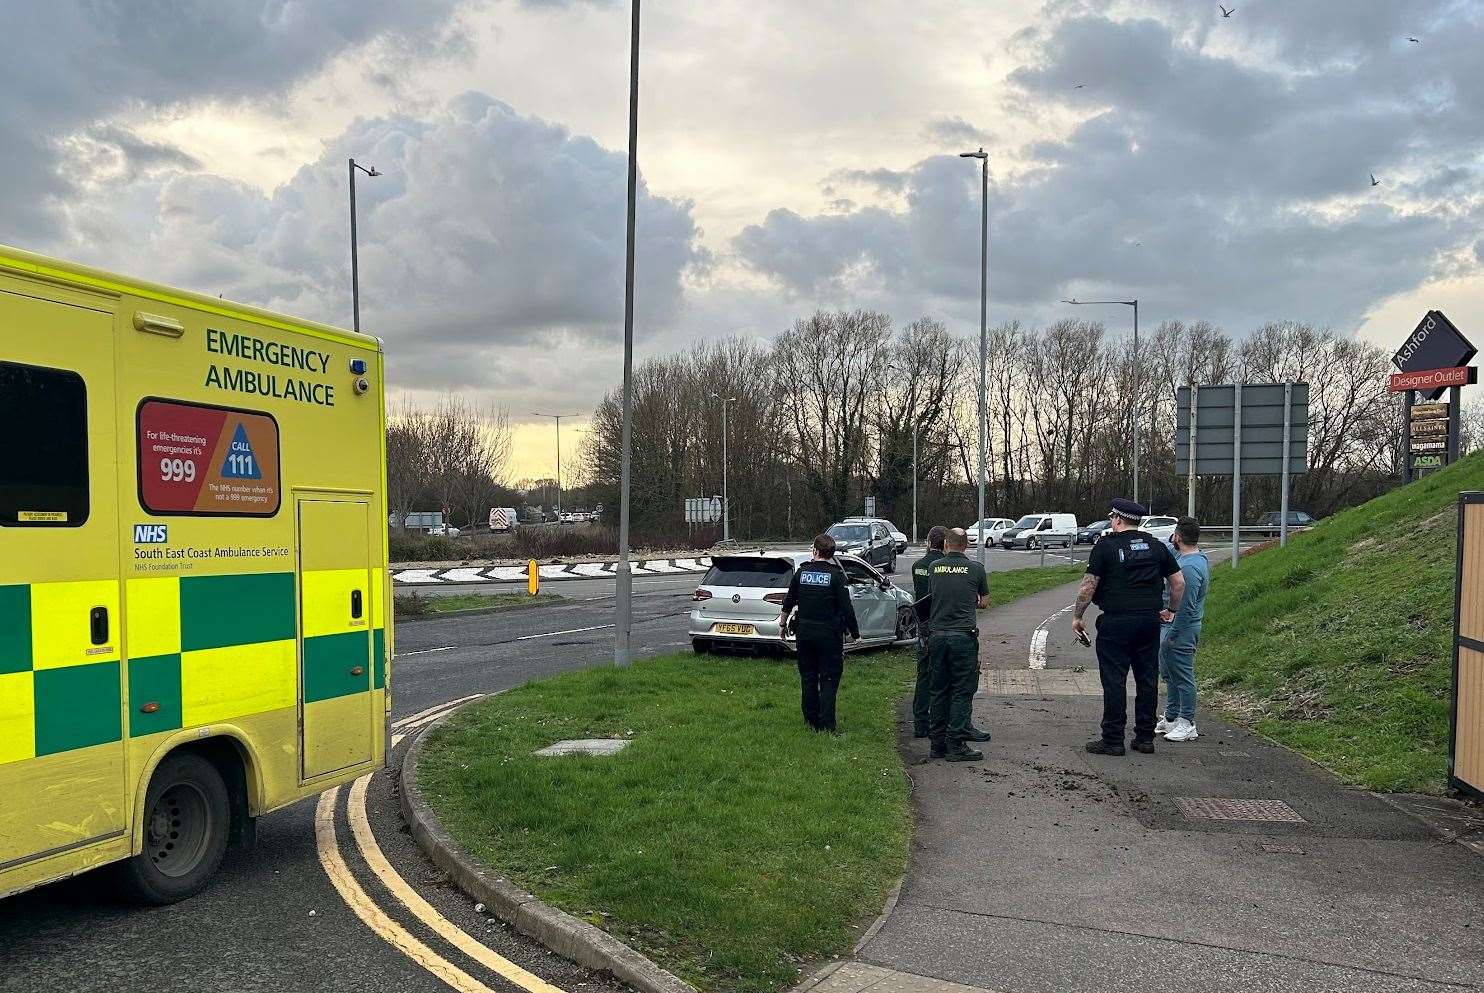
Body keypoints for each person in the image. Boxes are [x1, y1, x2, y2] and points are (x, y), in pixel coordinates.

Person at [1071, 499, 1184, 755]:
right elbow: (1178, 582)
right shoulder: (1157, 546)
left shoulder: (1106, 546)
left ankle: (1112, 739)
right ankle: (1144, 738)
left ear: (1117, 520)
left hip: (1116, 621)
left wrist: (1078, 616)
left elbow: (1089, 586)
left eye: (1112, 517)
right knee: (1146, 678)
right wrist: (1171, 611)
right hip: (1148, 621)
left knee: (1114, 680)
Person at [779, 533, 859, 733]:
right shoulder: (836, 576)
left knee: (808, 677)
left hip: (805, 633)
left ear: (815, 550)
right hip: (829, 635)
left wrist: (782, 626)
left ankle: (810, 721)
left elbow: (788, 603)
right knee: (829, 678)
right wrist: (856, 634)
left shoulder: (801, 573)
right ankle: (827, 724)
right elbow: (846, 608)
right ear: (831, 554)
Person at [926, 528, 990, 761]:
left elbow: (935, 594)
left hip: (937, 636)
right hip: (963, 637)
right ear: (967, 545)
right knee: (962, 690)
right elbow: (984, 602)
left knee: (939, 690)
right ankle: (956, 745)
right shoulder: (976, 569)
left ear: (946, 544)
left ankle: (936, 745)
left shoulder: (934, 568)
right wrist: (970, 600)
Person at [1157, 517, 1209, 743]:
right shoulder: (1190, 556)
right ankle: (1171, 716)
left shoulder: (1189, 568)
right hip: (1172, 626)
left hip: (1181, 629)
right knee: (1170, 674)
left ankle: (1187, 722)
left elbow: (1185, 609)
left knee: (1183, 676)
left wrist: (1172, 636)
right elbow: (1166, 547)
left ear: (1177, 536)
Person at [910, 526, 948, 738]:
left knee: (923, 675)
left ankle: (920, 723)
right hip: (940, 624)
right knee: (941, 676)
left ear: (927, 542)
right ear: (944, 544)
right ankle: (939, 722)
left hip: (922, 626)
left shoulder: (918, 565)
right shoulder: (940, 567)